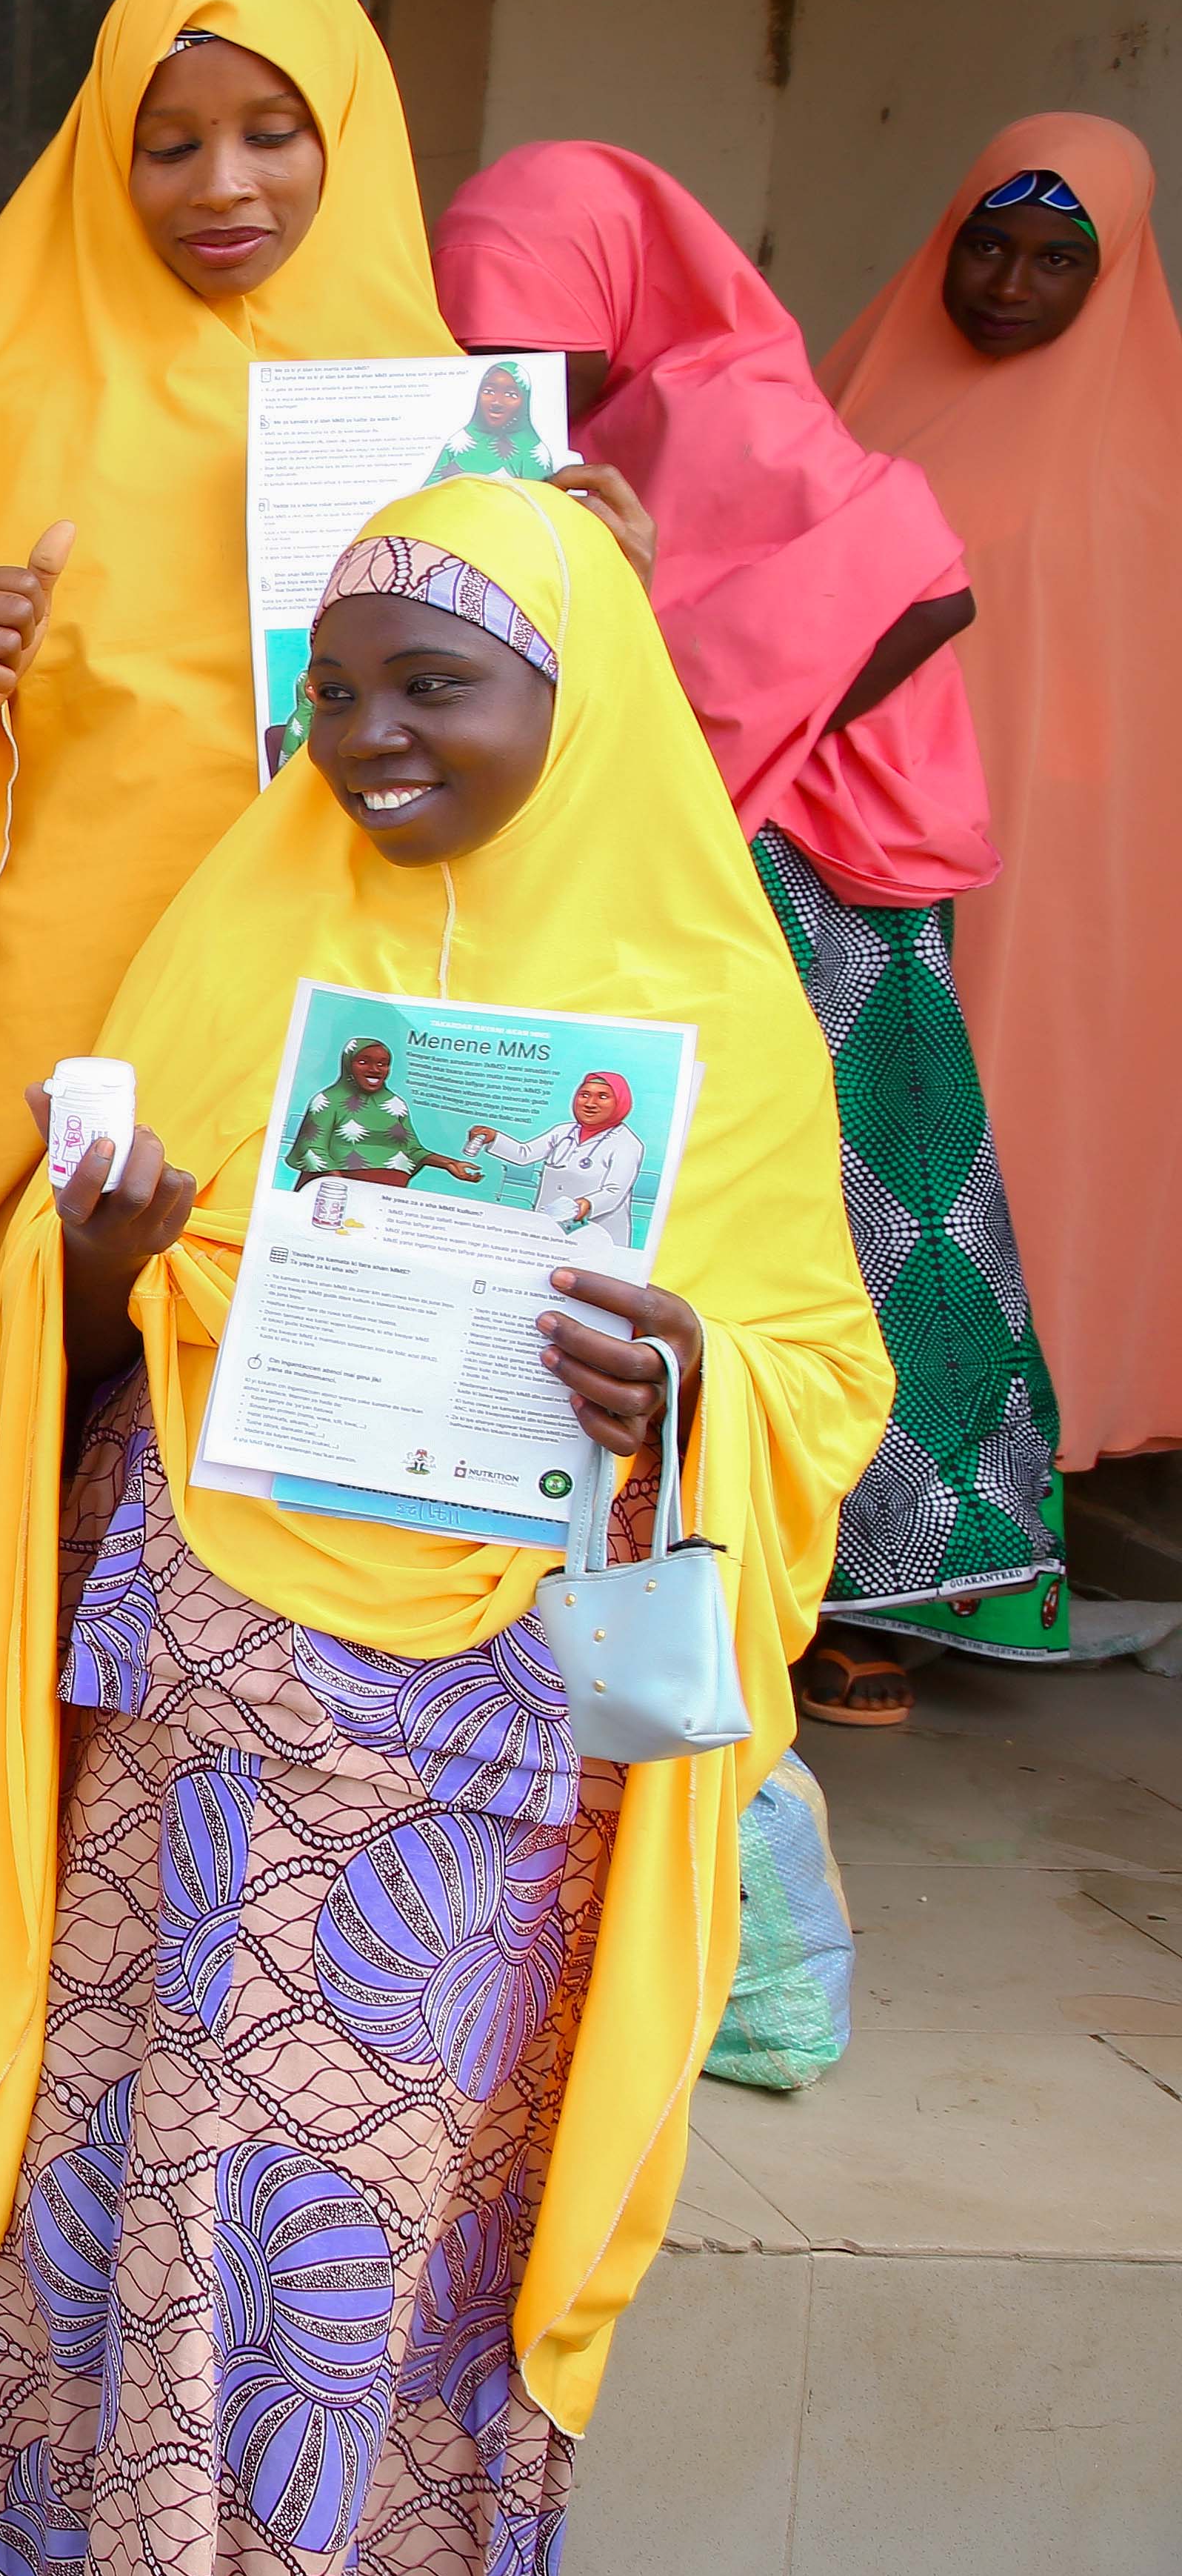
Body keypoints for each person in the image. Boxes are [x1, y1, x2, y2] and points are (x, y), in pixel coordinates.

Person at [0, 477, 889, 2576]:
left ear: (584, 698)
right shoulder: (239, 936)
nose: (372, 733)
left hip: (482, 1758)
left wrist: (688, 1387)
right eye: (337, 688)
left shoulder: (712, 1017)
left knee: (374, 2249)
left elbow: (818, 1377)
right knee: (148, 2187)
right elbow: (78, 1351)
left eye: (436, 686)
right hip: (201, 1730)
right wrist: (97, 1265)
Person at [438, 136, 1055, 1711]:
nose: (524, 365)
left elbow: (891, 590)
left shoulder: (724, 404)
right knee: (749, 1215)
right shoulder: (579, 421)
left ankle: (903, 1585)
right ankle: (780, 1564)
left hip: (820, 869)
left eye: (543, 327)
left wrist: (689, 693)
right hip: (720, 853)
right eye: (486, 334)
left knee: (872, 1214)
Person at [0, 0, 458, 1431]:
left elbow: (522, 735)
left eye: (273, 136)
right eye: (169, 143)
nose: (222, 188)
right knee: (25, 1348)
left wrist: (588, 580)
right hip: (61, 973)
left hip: (333, 962)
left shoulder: (430, 397)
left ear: (350, 136)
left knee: (286, 1365)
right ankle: (3, 1664)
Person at [823, 118, 1182, 1502]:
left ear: (1114, 274)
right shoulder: (854, 395)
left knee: (1013, 1157)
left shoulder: (1146, 462)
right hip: (849, 859)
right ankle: (858, 1514)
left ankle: (991, 1516)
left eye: (1056, 258)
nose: (1010, 282)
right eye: (987, 241)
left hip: (1049, 887)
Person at [467, 1074, 647, 1245]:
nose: (590, 1103)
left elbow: (614, 1192)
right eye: (584, 1095)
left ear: (620, 1103)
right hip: (549, 1223)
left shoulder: (626, 1143)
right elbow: (524, 1154)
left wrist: (587, 1204)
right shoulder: (563, 1132)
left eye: (602, 1097)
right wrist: (494, 1137)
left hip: (598, 1230)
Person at [279, 1036, 481, 1189]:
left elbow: (412, 1149)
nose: (375, 1069)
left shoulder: (395, 1105)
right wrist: (341, 1187)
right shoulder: (328, 1101)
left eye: (383, 1064)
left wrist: (450, 1164)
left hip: (385, 1197)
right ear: (349, 1064)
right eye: (364, 1062)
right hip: (335, 1192)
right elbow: (312, 1149)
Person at [421, 359, 558, 482]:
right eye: (489, 391)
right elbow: (427, 495)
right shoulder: (460, 443)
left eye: (511, 394)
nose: (497, 402)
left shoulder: (534, 452)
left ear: (524, 402)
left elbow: (540, 503)